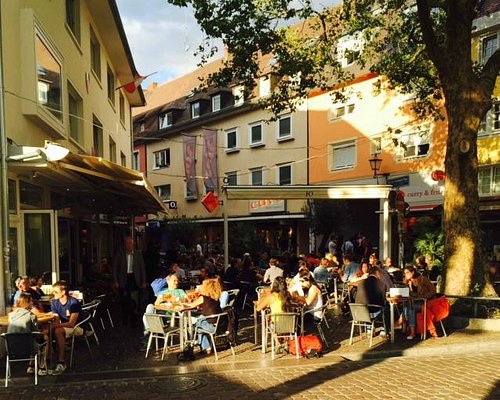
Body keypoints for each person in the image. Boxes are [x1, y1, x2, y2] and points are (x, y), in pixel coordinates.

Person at [8, 293, 48, 375]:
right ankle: (42, 366)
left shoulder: (10, 315)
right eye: (31, 302)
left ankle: (31, 366)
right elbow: (36, 334)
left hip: (11, 348)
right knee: (45, 339)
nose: (32, 303)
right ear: (28, 302)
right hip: (28, 348)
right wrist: (44, 332)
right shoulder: (31, 316)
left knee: (28, 337)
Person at [50, 280, 83, 375]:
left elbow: (71, 323)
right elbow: (56, 319)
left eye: (55, 292)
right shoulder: (54, 303)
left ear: (63, 292)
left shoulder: (73, 303)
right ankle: (43, 363)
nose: (53, 294)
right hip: (63, 326)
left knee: (58, 331)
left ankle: (61, 362)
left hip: (77, 327)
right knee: (46, 331)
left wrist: (55, 326)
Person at [113, 236, 147, 326]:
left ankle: (134, 318)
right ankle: (125, 318)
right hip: (123, 279)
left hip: (134, 278)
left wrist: (143, 281)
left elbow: (142, 268)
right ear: (125, 245)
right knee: (124, 299)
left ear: (133, 244)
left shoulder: (138, 254)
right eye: (127, 243)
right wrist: (116, 281)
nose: (129, 245)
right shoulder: (120, 254)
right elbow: (115, 268)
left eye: (130, 243)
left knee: (134, 299)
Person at [186, 278, 223, 355]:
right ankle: (207, 348)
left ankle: (200, 345)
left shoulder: (203, 298)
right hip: (220, 325)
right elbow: (208, 307)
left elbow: (191, 305)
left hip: (211, 327)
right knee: (199, 327)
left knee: (194, 326)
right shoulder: (215, 298)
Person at [400, 265, 436, 339]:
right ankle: (405, 327)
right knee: (407, 306)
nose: (405, 275)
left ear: (412, 272)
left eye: (407, 273)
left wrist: (423, 297)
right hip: (416, 303)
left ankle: (409, 330)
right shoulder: (408, 282)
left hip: (426, 303)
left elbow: (433, 290)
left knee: (410, 308)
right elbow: (412, 295)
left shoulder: (422, 279)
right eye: (404, 273)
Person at [355, 265, 388, 336]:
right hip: (373, 310)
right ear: (377, 273)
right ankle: (383, 330)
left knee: (367, 305)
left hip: (359, 311)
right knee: (387, 308)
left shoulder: (360, 283)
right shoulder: (381, 284)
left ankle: (369, 329)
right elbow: (382, 300)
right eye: (380, 274)